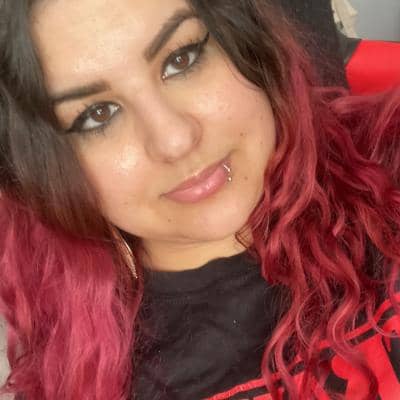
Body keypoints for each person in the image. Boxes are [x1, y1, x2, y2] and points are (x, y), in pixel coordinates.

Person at [1, 0, 400, 399]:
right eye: (99, 115)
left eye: (181, 59)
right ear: (44, 171)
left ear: (244, 39)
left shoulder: (389, 173)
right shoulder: (84, 385)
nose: (175, 140)